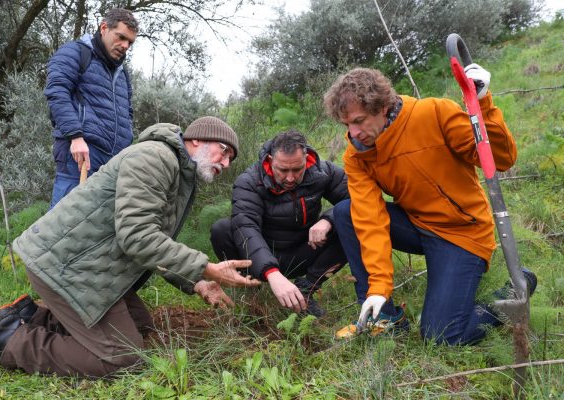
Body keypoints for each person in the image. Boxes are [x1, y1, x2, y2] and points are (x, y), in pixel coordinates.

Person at [0, 117, 261, 377]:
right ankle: (8, 341)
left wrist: (197, 283)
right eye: (225, 152)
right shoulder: (156, 158)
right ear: (197, 138)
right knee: (123, 359)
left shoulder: (177, 171)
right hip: (65, 267)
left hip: (87, 266)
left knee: (142, 325)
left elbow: (152, 243)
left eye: (231, 160)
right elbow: (137, 235)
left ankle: (34, 317)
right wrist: (206, 267)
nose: (226, 163)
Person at [323, 66, 537, 344]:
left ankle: (514, 292)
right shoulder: (357, 155)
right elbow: (369, 218)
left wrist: (482, 101)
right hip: (418, 224)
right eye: (346, 125)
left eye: (359, 121)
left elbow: (499, 159)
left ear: (383, 106)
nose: (354, 133)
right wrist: (378, 287)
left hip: (462, 234)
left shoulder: (434, 113)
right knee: (346, 212)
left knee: (443, 336)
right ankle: (383, 316)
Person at [210, 130, 349, 317]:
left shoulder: (323, 172)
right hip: (261, 253)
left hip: (304, 250)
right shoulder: (249, 181)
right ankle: (249, 287)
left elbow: (358, 198)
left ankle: (306, 289)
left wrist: (329, 219)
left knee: (352, 221)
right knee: (222, 229)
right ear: (270, 160)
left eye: (297, 169)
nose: (290, 178)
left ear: (306, 159)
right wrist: (271, 272)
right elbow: (246, 227)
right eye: (283, 170)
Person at [45, 8, 139, 208]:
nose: (125, 46)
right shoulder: (74, 52)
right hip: (80, 155)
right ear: (104, 28)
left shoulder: (122, 73)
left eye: (130, 42)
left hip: (112, 163)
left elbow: (127, 112)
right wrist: (75, 136)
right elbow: (57, 93)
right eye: (121, 37)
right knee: (64, 227)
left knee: (96, 232)